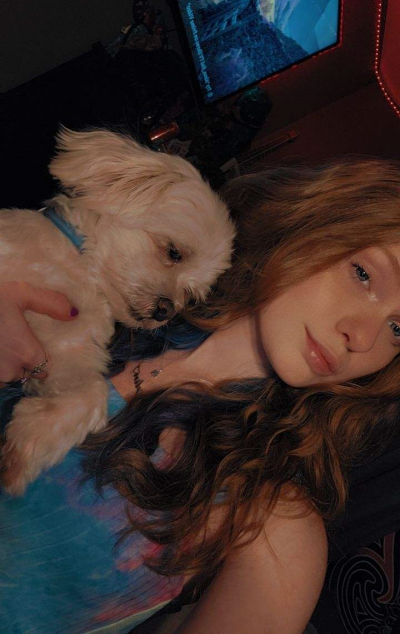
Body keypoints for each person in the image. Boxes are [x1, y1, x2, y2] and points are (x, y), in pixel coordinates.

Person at [2, 157, 400, 634]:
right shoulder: (122, 281)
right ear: (309, 225)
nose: (362, 336)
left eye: (398, 329)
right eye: (364, 275)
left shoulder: (272, 515)